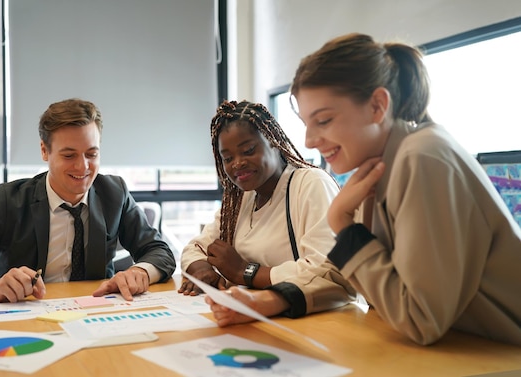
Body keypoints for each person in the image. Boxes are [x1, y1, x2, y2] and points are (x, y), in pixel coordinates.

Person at [207, 33, 521, 346]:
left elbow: (420, 319)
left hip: (498, 354)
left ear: (377, 106)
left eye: (324, 120)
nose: (309, 141)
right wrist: (268, 301)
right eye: (306, 123)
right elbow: (338, 275)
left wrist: (342, 223)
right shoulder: (381, 164)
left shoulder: (422, 156)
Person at [0, 98, 176, 303]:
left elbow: (160, 252)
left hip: (94, 316)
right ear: (44, 151)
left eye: (91, 153)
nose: (83, 166)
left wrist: (139, 272)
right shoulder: (10, 201)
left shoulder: (113, 193)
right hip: (22, 319)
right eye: (69, 155)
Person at [179, 100, 356, 317]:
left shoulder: (309, 183)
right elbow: (195, 248)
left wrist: (245, 272)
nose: (237, 163)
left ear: (273, 142)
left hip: (315, 317)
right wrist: (204, 270)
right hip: (257, 315)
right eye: (227, 158)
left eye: (248, 150)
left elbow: (325, 270)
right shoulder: (241, 198)